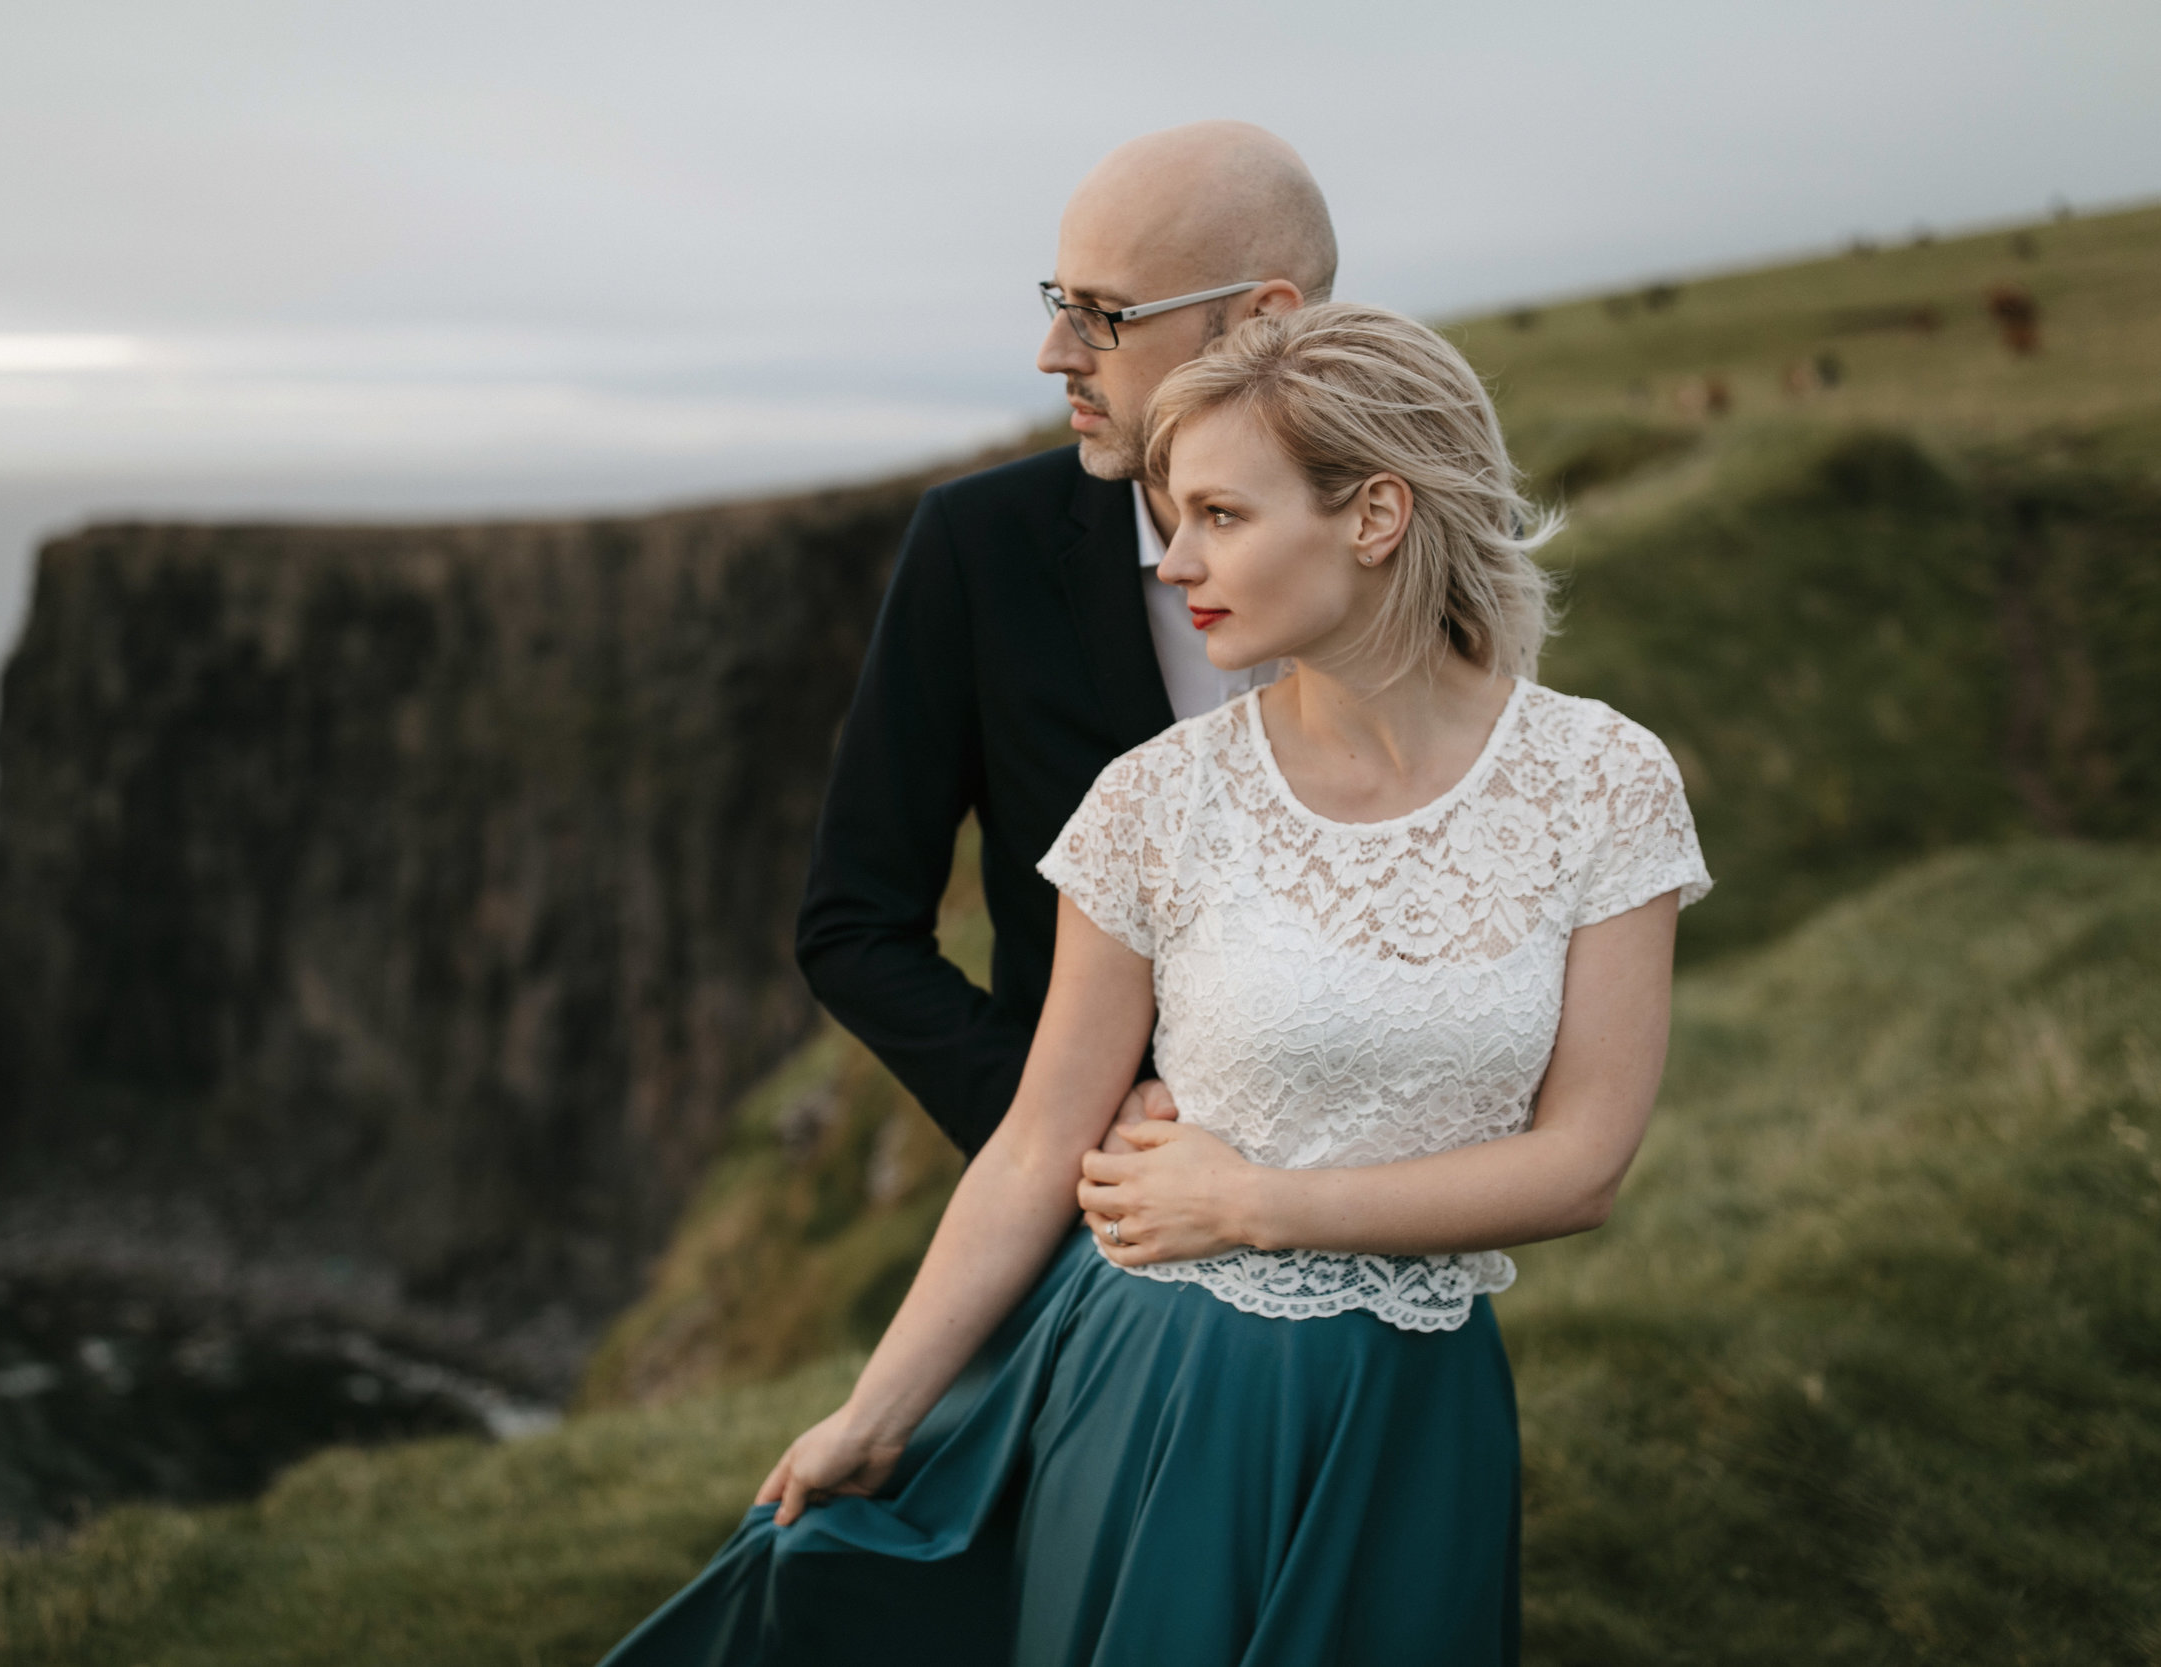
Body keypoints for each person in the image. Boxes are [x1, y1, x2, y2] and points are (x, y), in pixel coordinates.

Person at [600, 303, 1711, 1665]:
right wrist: (875, 1413)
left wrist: (1259, 1200)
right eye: (1171, 515)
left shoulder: (1603, 782)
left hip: (1426, 1410)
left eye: (1221, 517)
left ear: (1374, 514)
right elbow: (1035, 1147)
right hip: (1162, 1389)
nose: (1177, 560)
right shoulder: (1153, 800)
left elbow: (1584, 1164)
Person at [794, 120, 1340, 1160]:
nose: (1055, 355)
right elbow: (852, 924)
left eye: (1103, 317)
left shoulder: (1418, 551)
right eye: (1060, 306)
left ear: (1263, 322)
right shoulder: (978, 546)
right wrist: (1066, 1124)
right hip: (1089, 1217)